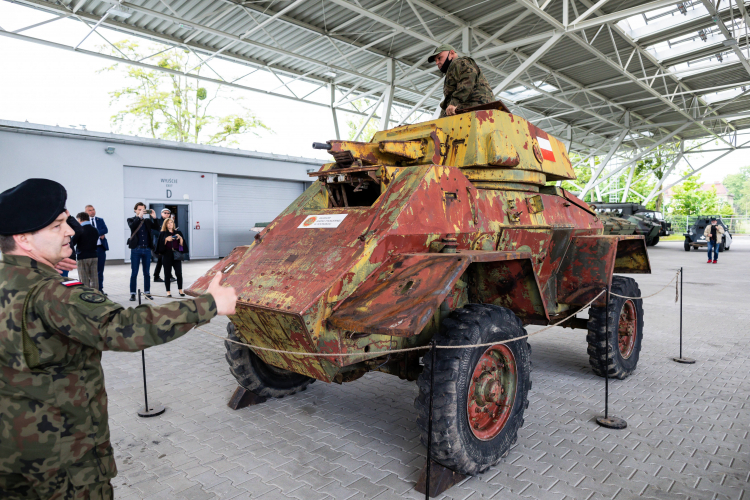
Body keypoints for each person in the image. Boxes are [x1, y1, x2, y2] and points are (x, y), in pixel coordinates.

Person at [0, 178, 238, 499]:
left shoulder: (10, 279)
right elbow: (123, 326)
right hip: (63, 462)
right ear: (24, 239)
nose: (70, 231)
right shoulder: (52, 294)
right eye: (57, 226)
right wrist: (210, 304)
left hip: (13, 452)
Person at [427, 43, 494, 118]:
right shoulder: (453, 69)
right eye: (435, 61)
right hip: (478, 108)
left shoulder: (458, 62)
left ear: (452, 53)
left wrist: (454, 103)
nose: (437, 63)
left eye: (439, 58)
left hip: (474, 107)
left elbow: (469, 76)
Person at [127, 202, 160, 301]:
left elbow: (157, 228)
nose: (141, 211)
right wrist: (139, 217)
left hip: (146, 249)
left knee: (147, 273)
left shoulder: (148, 221)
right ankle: (133, 293)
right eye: (139, 209)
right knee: (134, 272)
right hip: (135, 249)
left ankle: (147, 293)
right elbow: (132, 227)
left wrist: (154, 218)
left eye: (143, 209)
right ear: (135, 210)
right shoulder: (131, 219)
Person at [157, 218, 187, 297]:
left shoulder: (178, 232)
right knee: (167, 274)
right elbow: (159, 247)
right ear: (165, 225)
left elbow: (182, 246)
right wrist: (166, 240)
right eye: (168, 223)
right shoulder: (163, 233)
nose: (170, 224)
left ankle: (180, 290)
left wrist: (180, 238)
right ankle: (168, 292)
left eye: (171, 223)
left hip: (176, 254)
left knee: (179, 273)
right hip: (167, 255)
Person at [72, 211, 100, 290]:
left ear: (80, 219)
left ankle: (87, 296)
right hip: (94, 256)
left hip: (82, 256)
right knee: (94, 278)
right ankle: (95, 295)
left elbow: (72, 243)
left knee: (84, 280)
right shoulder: (95, 229)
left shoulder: (79, 230)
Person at [85, 204, 109, 293]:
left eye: (93, 209)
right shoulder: (85, 222)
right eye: (90, 210)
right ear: (86, 212)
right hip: (89, 249)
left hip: (100, 249)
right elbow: (86, 232)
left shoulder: (100, 220)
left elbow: (105, 230)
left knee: (100, 270)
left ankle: (100, 289)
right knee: (90, 271)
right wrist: (98, 233)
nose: (92, 211)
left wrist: (94, 233)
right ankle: (90, 290)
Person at [153, 208, 175, 284]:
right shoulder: (157, 221)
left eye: (168, 213)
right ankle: (157, 276)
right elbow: (153, 231)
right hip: (159, 244)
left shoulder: (170, 221)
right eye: (165, 213)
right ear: (161, 213)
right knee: (161, 261)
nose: (167, 214)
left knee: (166, 260)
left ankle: (166, 276)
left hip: (167, 244)